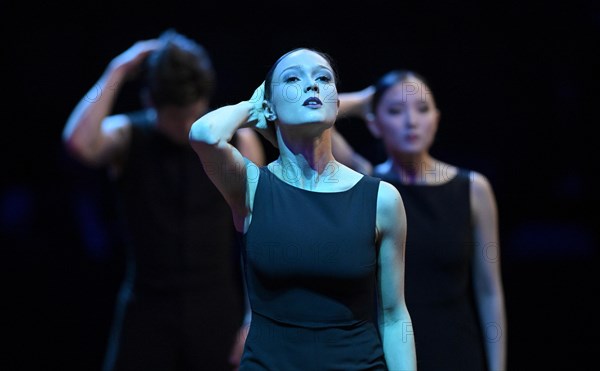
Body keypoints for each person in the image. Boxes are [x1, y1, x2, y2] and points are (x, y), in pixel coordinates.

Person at [189, 47, 417, 371]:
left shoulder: (381, 199)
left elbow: (394, 316)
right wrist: (252, 107)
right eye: (293, 79)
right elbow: (203, 135)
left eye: (323, 79)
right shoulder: (252, 187)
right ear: (268, 106)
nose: (311, 86)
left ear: (337, 104)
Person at [62, 29, 264, 371]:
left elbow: (259, 234)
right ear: (150, 103)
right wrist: (119, 68)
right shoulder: (128, 135)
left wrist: (253, 318)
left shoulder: (236, 140)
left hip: (216, 306)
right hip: (147, 307)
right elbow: (79, 144)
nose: (187, 125)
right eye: (177, 118)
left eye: (193, 113)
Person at [334, 69, 507, 371]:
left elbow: (489, 290)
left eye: (422, 109)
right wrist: (363, 100)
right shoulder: (368, 181)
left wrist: (497, 366)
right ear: (374, 123)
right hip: (385, 354)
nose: (411, 121)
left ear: (436, 119)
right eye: (395, 110)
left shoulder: (472, 189)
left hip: (455, 351)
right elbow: (306, 118)